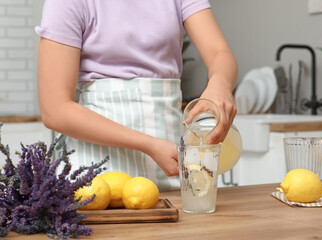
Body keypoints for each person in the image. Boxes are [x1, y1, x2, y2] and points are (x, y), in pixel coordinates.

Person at [35, 0, 238, 191]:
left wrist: (220, 83)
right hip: (97, 177)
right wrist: (149, 144)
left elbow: (220, 53)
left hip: (171, 168)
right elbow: (55, 110)